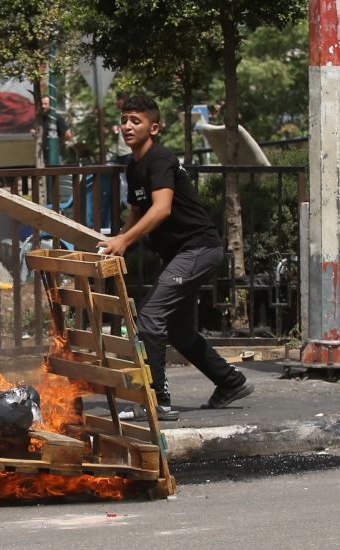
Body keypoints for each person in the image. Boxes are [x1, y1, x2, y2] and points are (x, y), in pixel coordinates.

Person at [96, 95, 254, 421]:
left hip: (198, 249)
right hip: (181, 254)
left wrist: (125, 239)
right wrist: (117, 241)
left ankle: (157, 400)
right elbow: (138, 212)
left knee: (150, 319)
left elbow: (161, 208)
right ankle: (230, 382)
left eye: (135, 121)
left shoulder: (160, 158)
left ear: (153, 127)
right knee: (180, 332)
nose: (127, 126)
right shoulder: (133, 165)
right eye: (124, 120)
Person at [31, 95, 73, 165]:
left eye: (45, 104)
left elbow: (68, 135)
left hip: (54, 153)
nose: (43, 106)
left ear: (51, 105)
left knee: (56, 173)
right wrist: (34, 133)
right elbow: (36, 132)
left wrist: (58, 143)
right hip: (42, 154)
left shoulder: (57, 118)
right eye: (42, 104)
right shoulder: (40, 118)